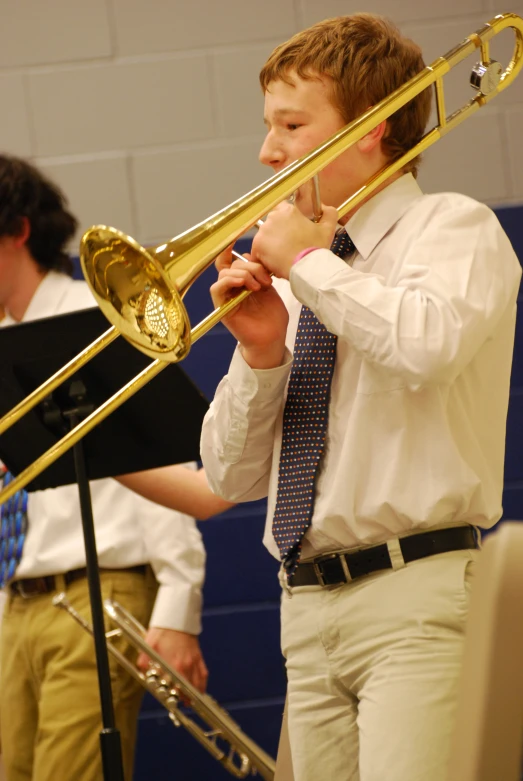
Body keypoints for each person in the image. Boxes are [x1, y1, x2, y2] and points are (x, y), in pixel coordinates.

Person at [200, 13, 522, 781]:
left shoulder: (452, 226)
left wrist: (309, 263)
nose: (266, 150)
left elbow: (425, 345)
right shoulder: (302, 272)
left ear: (371, 130)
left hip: (415, 599)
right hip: (304, 609)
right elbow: (227, 476)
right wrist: (259, 349)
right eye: (268, 124)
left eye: (290, 124)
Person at [0, 153, 231, 781]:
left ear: (18, 230)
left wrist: (177, 610)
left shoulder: (92, 315)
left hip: (97, 592)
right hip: (16, 608)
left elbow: (157, 459)